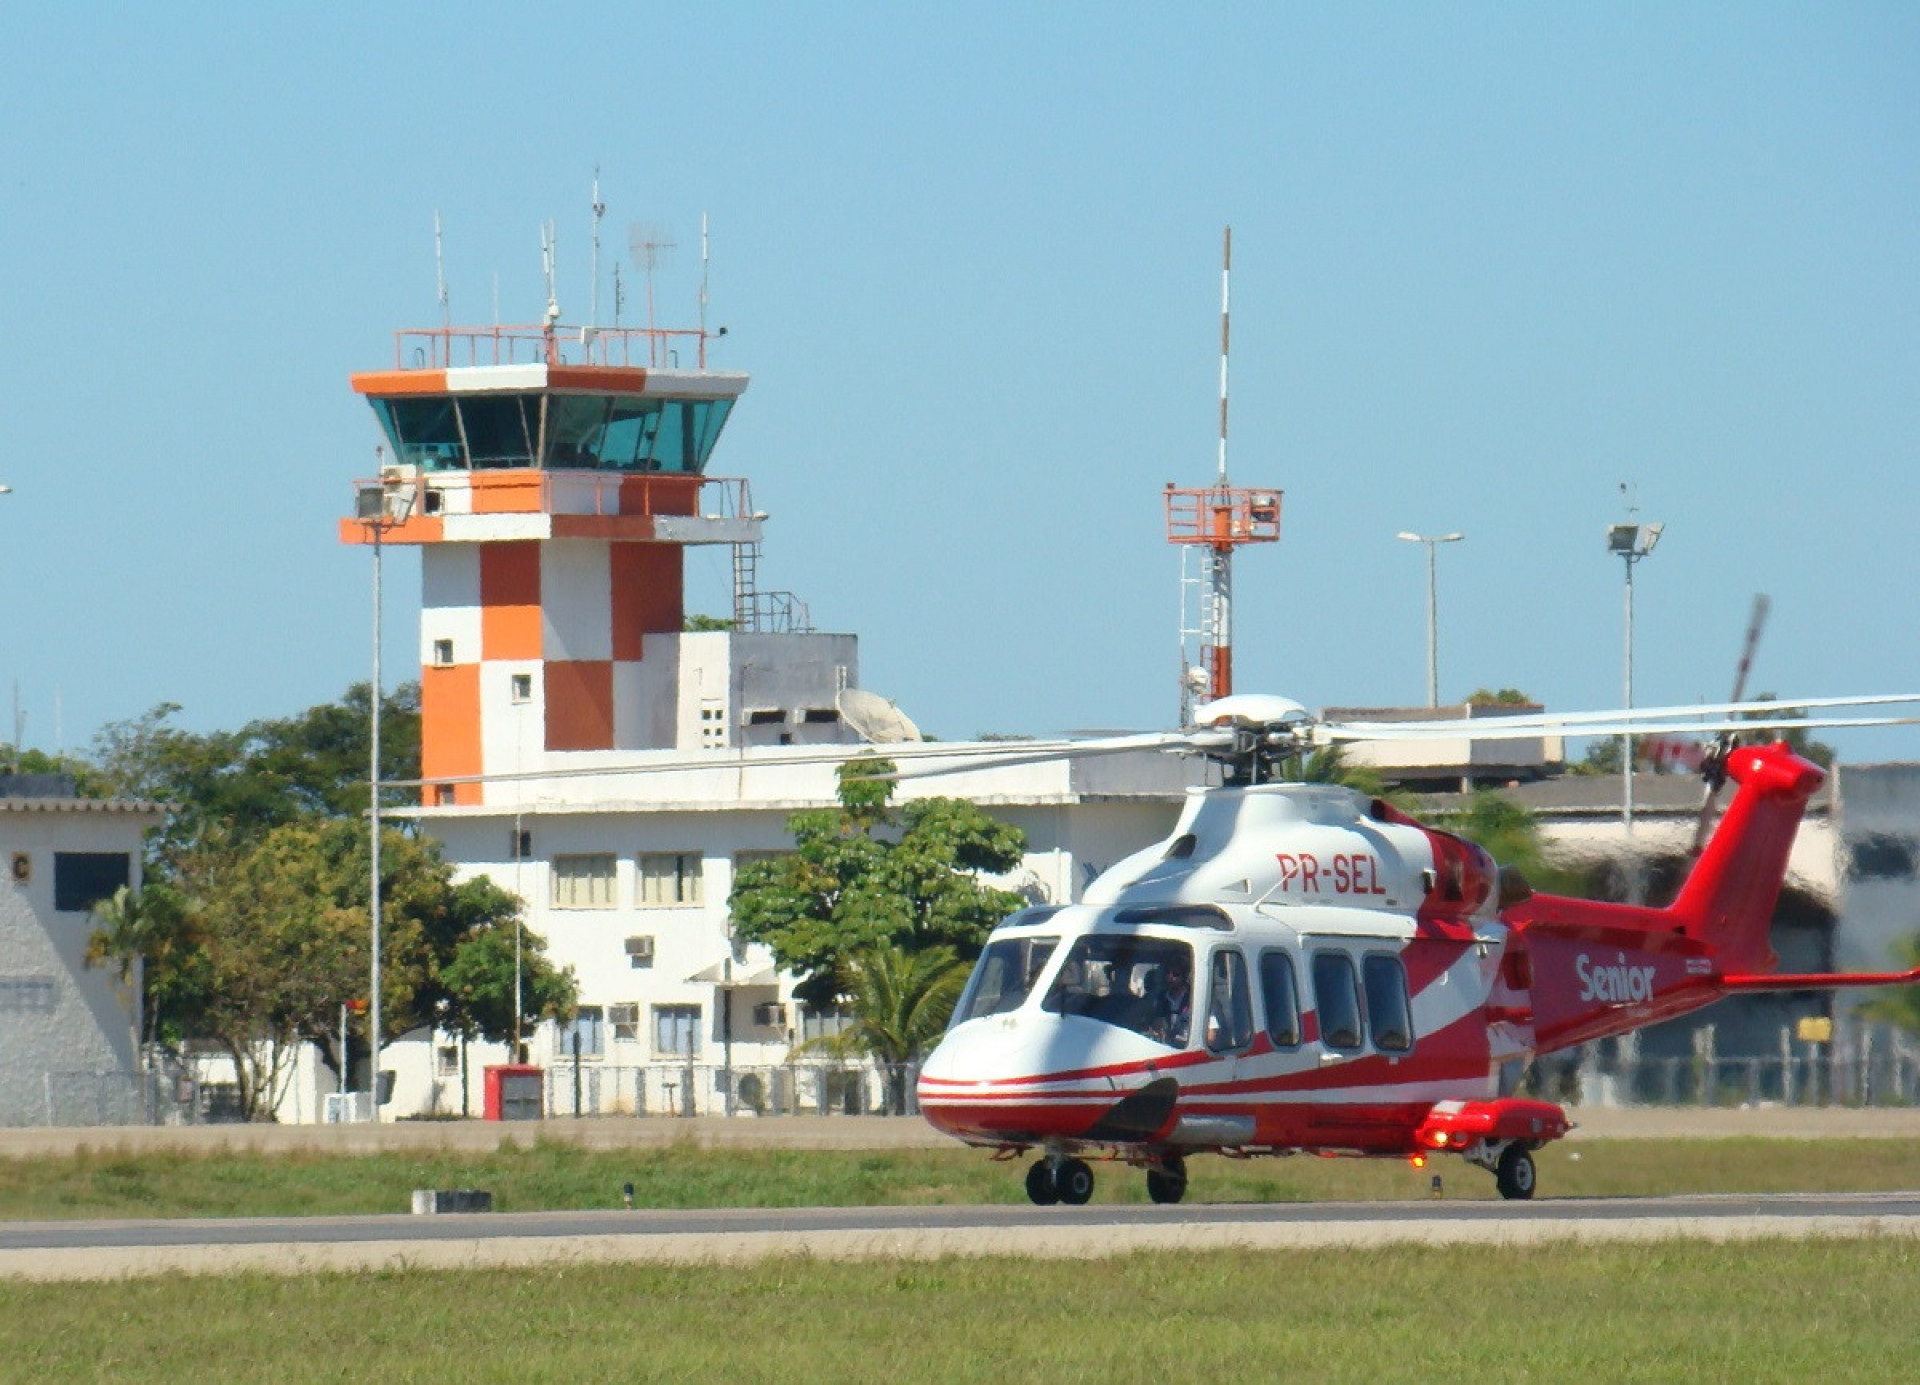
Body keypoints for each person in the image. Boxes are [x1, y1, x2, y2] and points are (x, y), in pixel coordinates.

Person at [1156, 963, 1192, 1047]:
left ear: (1184, 976)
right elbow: (1157, 1021)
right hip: (1166, 1046)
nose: (1171, 977)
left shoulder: (1194, 996)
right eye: (1168, 973)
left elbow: (1210, 1036)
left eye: (1176, 974)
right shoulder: (1162, 998)